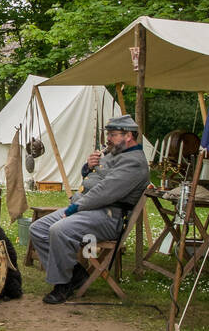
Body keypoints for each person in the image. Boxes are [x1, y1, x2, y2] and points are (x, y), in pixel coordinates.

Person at [29, 114, 149, 304]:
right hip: (89, 209)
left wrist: (75, 208)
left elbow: (105, 193)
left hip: (108, 216)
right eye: (108, 134)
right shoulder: (114, 153)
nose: (108, 138)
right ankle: (75, 273)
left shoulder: (134, 162)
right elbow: (96, 178)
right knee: (38, 228)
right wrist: (88, 167)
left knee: (59, 230)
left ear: (128, 136)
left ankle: (62, 285)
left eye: (113, 134)